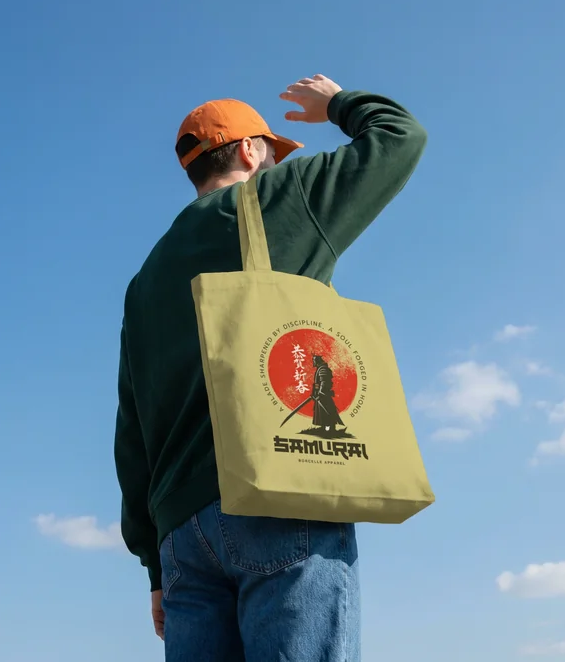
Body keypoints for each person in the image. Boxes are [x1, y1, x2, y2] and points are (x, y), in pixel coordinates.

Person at [114, 74, 428, 662]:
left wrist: (154, 565)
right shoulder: (278, 199)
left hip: (182, 536)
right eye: (270, 152)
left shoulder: (144, 282)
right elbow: (400, 137)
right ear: (254, 151)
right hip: (279, 494)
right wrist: (335, 102)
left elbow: (130, 434)